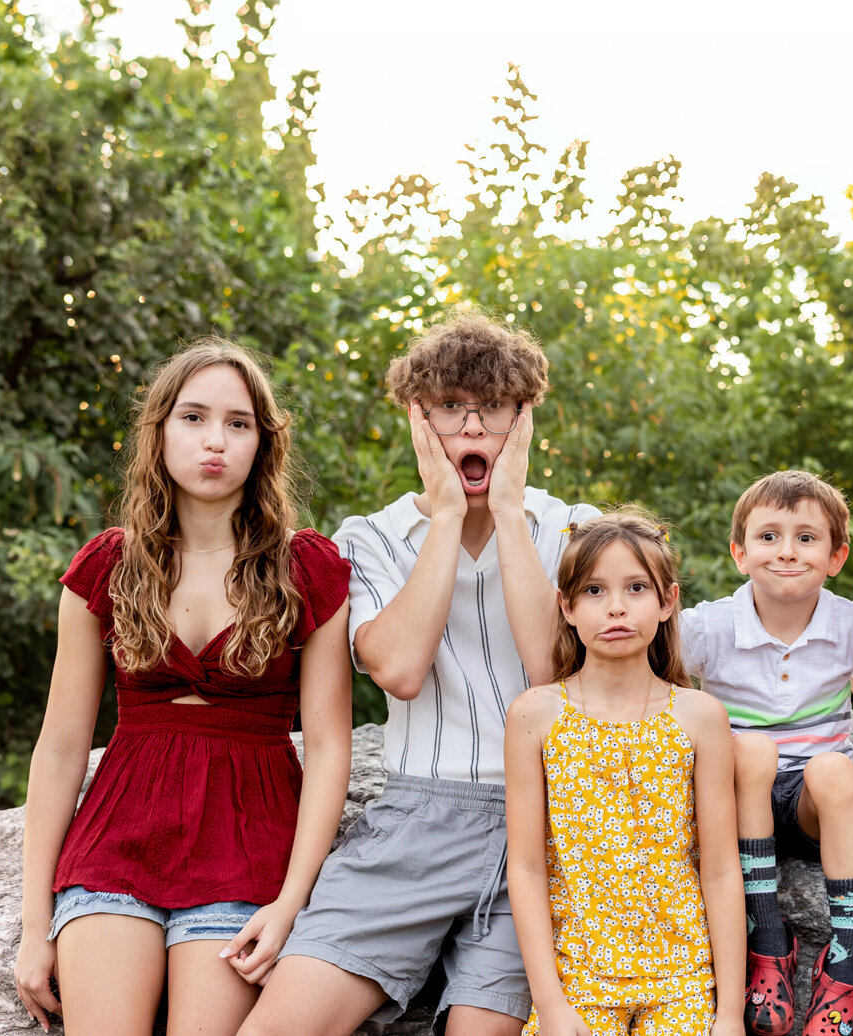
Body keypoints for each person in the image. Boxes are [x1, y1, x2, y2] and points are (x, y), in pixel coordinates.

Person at [240, 313, 599, 1036]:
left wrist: (505, 511)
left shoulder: (573, 529)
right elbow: (399, 670)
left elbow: (549, 673)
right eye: (448, 408)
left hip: (543, 832)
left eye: (492, 408)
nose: (472, 429)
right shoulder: (364, 538)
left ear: (522, 419)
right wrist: (444, 519)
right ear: (417, 418)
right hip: (413, 824)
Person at [13, 338, 355, 1034]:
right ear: (160, 430)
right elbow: (59, 750)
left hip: (247, 849)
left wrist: (292, 902)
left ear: (263, 443)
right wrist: (32, 925)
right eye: (193, 418)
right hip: (115, 848)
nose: (215, 442)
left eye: (238, 423)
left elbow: (328, 748)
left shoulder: (306, 569)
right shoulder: (107, 567)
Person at [680, 469, 853, 1036]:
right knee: (751, 750)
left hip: (811, 808)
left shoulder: (849, 622)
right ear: (740, 553)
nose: (787, 552)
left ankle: (846, 963)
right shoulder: (709, 626)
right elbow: (661, 681)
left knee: (835, 768)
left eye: (806, 538)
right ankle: (768, 938)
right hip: (739, 797)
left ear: (837, 556)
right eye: (768, 537)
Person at [503, 507, 744, 1036]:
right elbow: (525, 869)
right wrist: (552, 1005)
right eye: (593, 591)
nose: (615, 607)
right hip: (578, 981)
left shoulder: (699, 716)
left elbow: (722, 869)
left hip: (682, 978)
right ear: (565, 606)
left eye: (636, 588)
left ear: (667, 601)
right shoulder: (535, 715)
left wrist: (728, 1014)